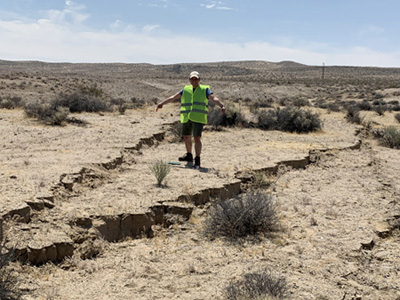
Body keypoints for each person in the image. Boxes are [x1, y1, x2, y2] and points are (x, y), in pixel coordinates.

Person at [156, 71, 225, 168]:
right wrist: (162, 103)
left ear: (199, 80)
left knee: (197, 138)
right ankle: (189, 155)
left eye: (196, 79)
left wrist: (221, 105)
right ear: (189, 80)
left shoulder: (205, 89)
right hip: (187, 117)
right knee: (186, 136)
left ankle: (197, 159)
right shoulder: (185, 89)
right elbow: (174, 97)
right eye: (192, 79)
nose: (194, 80)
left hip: (198, 117)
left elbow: (213, 98)